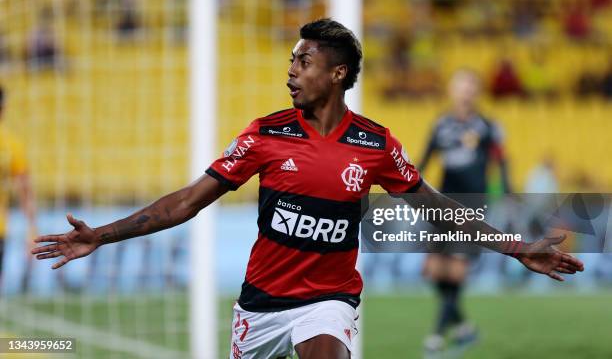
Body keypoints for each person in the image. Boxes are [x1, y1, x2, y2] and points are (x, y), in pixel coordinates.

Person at [31, 19, 583, 359]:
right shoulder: (265, 134)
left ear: (338, 74)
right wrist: (100, 235)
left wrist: (516, 246)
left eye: (304, 61)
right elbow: (185, 201)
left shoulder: (374, 145)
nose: (291, 71)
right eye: (291, 60)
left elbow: (437, 208)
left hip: (328, 300)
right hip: (260, 305)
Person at [418, 68, 513, 356]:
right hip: (441, 206)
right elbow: (423, 161)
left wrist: (508, 194)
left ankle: (435, 335)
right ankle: (464, 329)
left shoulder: (488, 126)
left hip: (472, 206)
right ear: (451, 90)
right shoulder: (441, 125)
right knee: (434, 271)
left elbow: (502, 162)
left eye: (471, 86)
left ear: (477, 92)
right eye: (461, 86)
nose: (466, 91)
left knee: (457, 271)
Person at [0, 85, 37, 289]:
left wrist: (32, 230)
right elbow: (26, 193)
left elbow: (25, 191)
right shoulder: (11, 144)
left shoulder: (12, 144)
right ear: (4, 107)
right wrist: (32, 229)